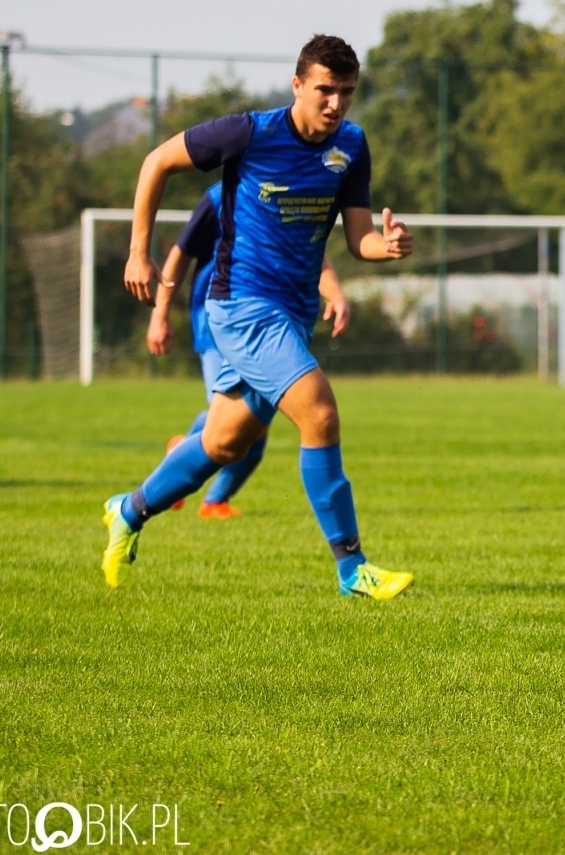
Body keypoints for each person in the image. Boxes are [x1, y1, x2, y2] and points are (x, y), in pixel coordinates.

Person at [102, 33, 416, 601]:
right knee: (319, 411)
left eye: (346, 92)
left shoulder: (352, 146)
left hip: (293, 313)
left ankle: (129, 510)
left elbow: (358, 238)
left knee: (226, 443)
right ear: (297, 85)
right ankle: (353, 569)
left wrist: (385, 248)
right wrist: (137, 251)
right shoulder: (249, 133)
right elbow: (156, 163)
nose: (335, 103)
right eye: (324, 90)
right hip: (241, 305)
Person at [144, 182, 351, 519]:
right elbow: (181, 254)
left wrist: (336, 295)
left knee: (251, 429)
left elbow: (315, 256)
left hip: (271, 325)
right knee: (240, 422)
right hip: (221, 319)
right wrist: (160, 313)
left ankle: (212, 497)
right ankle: (182, 486)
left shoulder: (290, 191)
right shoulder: (217, 197)